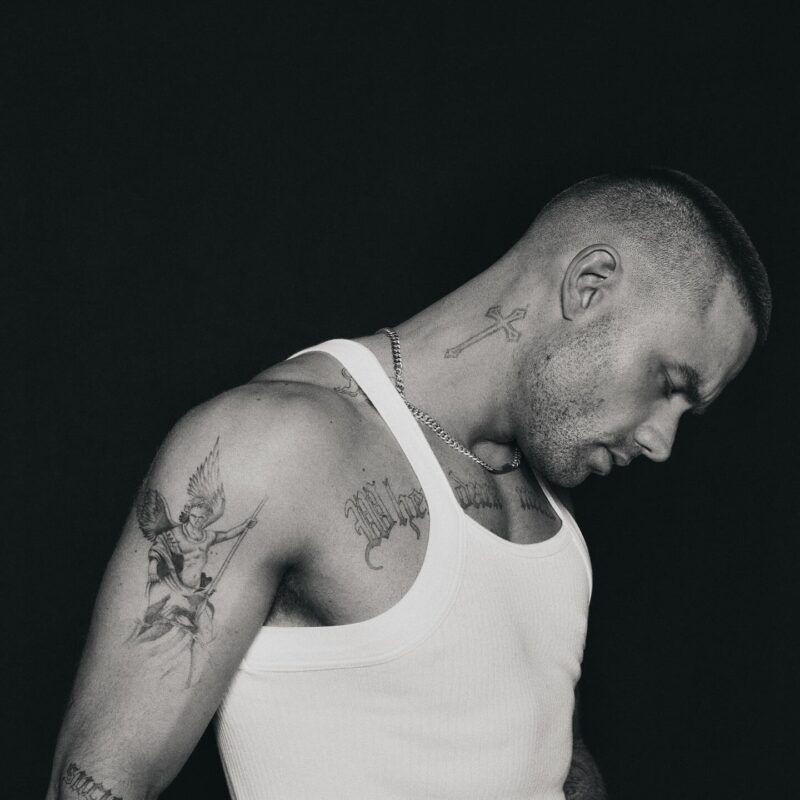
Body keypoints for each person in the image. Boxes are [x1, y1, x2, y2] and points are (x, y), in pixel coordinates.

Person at [47, 168, 771, 800]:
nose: (661, 440)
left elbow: (540, 754)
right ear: (589, 285)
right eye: (668, 384)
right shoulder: (277, 444)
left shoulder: (548, 500)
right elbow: (102, 781)